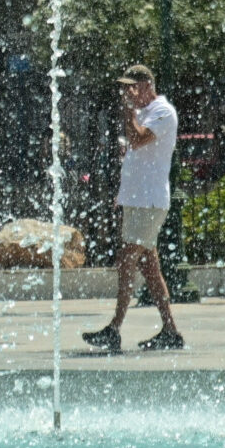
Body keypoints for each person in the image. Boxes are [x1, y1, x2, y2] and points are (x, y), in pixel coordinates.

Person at [82, 64, 184, 352]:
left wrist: (129, 113)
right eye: (126, 87)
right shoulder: (144, 114)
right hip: (137, 201)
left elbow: (139, 141)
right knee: (150, 269)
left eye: (133, 86)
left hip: (149, 202)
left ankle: (114, 329)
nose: (128, 92)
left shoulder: (164, 112)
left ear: (148, 85)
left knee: (126, 260)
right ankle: (170, 331)